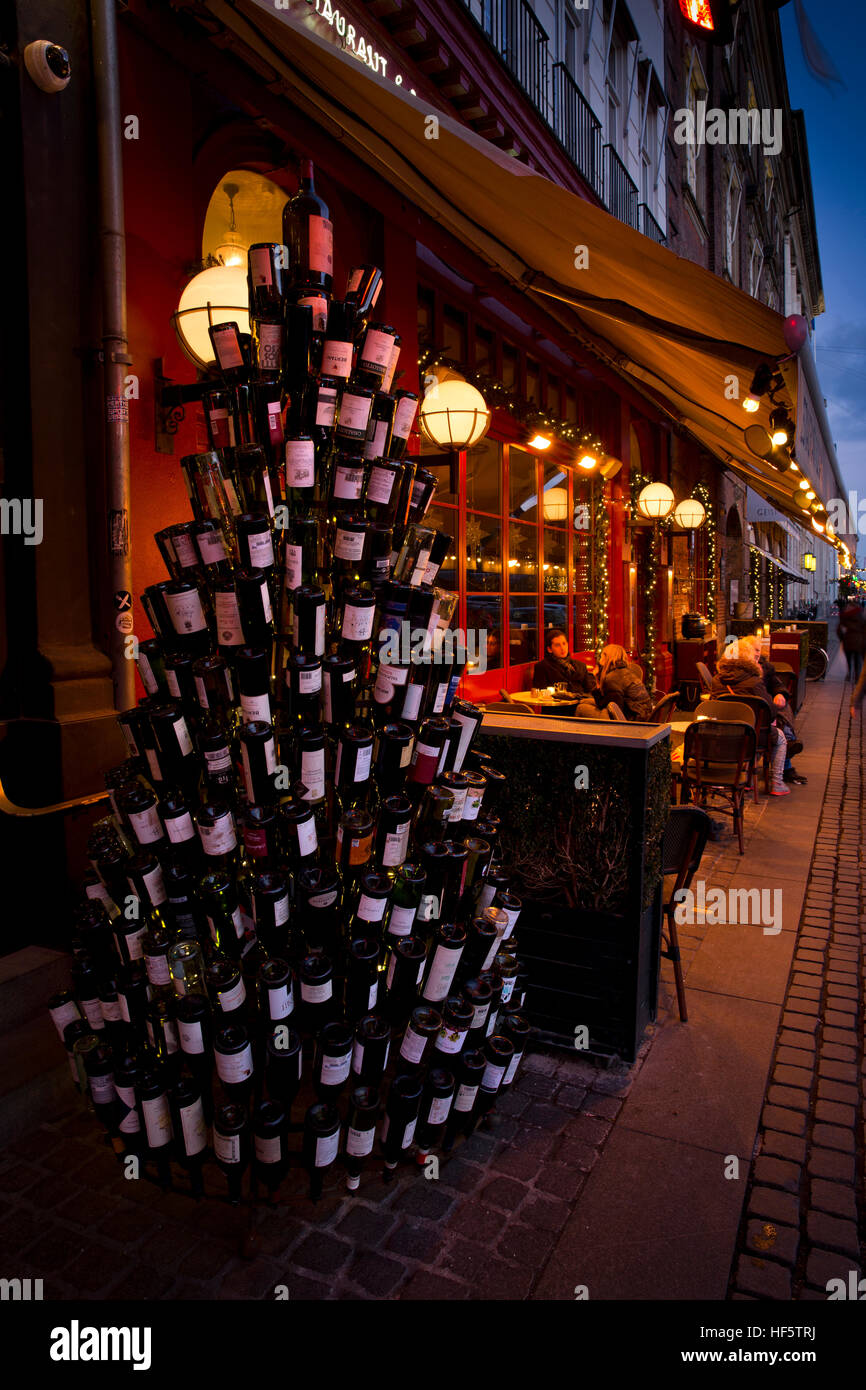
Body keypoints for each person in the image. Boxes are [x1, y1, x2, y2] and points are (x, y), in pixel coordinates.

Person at [710, 636, 795, 796]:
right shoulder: (754, 682)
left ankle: (746, 778)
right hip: (753, 736)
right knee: (780, 738)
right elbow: (770, 712)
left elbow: (712, 707)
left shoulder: (716, 680)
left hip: (723, 735)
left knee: (754, 734)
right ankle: (777, 783)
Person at [533, 629, 596, 698]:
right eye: (557, 645)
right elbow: (541, 695)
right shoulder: (543, 666)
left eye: (564, 643)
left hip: (581, 703)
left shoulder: (580, 665)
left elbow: (590, 690)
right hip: (557, 706)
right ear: (549, 649)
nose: (562, 648)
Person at [597, 644, 654, 721]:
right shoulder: (627, 671)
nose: (599, 659)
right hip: (644, 714)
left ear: (607, 657)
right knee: (586, 702)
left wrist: (595, 682)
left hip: (633, 719)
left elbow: (613, 708)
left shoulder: (612, 677)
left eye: (601, 656)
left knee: (582, 708)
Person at [836, 599, 866, 683]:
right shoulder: (861, 614)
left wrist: (841, 638)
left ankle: (849, 674)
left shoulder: (845, 615)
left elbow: (839, 629)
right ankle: (857, 676)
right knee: (857, 659)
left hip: (847, 641)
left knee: (849, 659)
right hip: (858, 641)